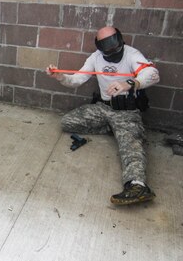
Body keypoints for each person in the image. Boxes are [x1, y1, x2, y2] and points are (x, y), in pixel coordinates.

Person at [47, 26, 160, 205]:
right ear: (99, 46)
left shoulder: (132, 54)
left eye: (114, 43)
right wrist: (60, 77)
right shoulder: (96, 57)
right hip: (103, 108)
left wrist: (130, 83)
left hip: (126, 112)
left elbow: (153, 74)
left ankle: (137, 185)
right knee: (67, 122)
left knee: (131, 146)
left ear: (120, 39)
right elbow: (77, 79)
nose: (112, 49)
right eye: (106, 45)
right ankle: (113, 129)